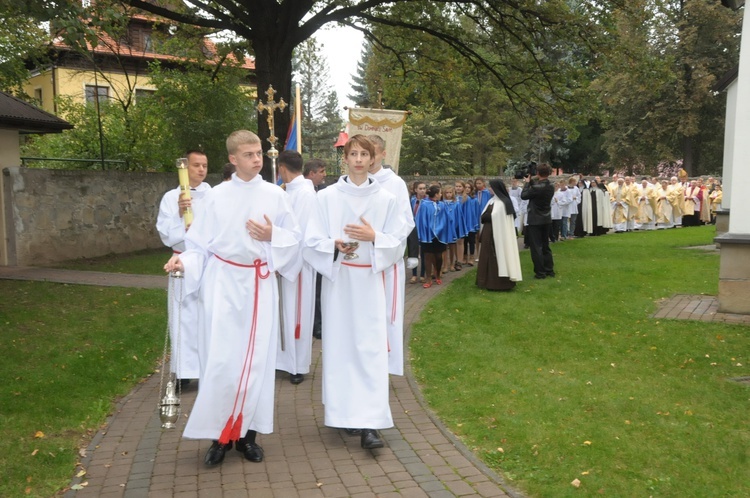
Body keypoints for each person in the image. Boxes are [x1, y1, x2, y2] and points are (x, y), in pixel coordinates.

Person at [163, 130, 301, 466]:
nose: (257, 159)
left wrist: (273, 236)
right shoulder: (216, 198)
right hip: (223, 285)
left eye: (259, 153)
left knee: (256, 363)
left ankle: (248, 437)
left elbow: (295, 240)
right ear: (233, 159)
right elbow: (199, 246)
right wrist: (183, 260)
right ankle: (219, 439)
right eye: (250, 154)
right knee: (222, 362)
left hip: (258, 283)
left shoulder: (275, 195)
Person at [303, 134, 409, 450]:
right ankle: (344, 414)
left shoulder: (386, 199)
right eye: (354, 153)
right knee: (340, 349)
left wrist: (374, 236)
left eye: (365, 153)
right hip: (339, 283)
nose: (360, 159)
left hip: (370, 283)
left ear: (373, 158)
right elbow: (311, 240)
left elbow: (399, 240)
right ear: (345, 159)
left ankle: (370, 424)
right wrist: (332, 246)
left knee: (371, 350)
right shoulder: (326, 198)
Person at [156, 149, 211, 386]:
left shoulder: (213, 195)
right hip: (181, 261)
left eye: (205, 166)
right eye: (196, 165)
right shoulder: (171, 197)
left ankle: (208, 369)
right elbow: (166, 235)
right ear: (184, 169)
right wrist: (180, 215)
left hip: (208, 263)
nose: (201, 170)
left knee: (206, 315)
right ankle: (184, 372)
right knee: (182, 317)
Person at [367, 135, 415, 376]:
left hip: (386, 259)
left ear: (383, 154)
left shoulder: (394, 183)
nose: (368, 158)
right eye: (364, 152)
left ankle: (386, 363)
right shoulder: (355, 182)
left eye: (373, 153)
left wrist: (380, 239)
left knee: (387, 313)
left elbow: (406, 221)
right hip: (359, 262)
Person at [275, 150, 318, 385]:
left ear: (282, 168)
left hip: (297, 264)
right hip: (282, 262)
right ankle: (281, 360)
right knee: (283, 314)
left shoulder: (305, 194)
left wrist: (282, 263)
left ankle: (297, 365)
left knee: (297, 314)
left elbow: (300, 234)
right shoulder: (286, 192)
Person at [476, 179, 522, 291]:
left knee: (497, 256)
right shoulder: (492, 201)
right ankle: (485, 280)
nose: (489, 189)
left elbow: (495, 218)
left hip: (498, 235)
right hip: (489, 232)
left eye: (491, 187)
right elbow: (485, 216)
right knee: (487, 255)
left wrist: (487, 217)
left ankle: (499, 283)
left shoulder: (503, 203)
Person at [304, 158, 328, 339]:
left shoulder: (318, 192)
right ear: (311, 173)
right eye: (321, 172)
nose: (324, 175)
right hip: (308, 248)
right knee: (315, 291)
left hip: (318, 246)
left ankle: (317, 323)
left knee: (318, 289)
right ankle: (316, 325)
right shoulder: (307, 194)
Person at [521, 163, 555, 279]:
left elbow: (524, 195)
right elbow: (538, 187)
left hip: (535, 219)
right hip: (546, 218)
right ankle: (549, 269)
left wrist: (526, 183)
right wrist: (531, 181)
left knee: (536, 247)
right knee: (545, 245)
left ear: (538, 173)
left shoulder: (536, 187)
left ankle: (540, 272)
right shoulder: (551, 185)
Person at [416, 184, 449, 288]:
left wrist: (442, 229)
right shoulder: (424, 204)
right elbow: (421, 219)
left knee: (439, 256)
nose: (441, 194)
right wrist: (426, 230)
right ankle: (428, 278)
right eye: (439, 193)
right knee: (427, 256)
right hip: (427, 234)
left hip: (440, 234)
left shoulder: (442, 205)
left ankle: (437, 275)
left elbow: (445, 219)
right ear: (436, 194)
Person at [409, 181, 427, 283]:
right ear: (416, 190)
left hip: (424, 230)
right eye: (420, 188)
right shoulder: (412, 201)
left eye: (424, 188)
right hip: (413, 230)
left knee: (424, 252)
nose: (422, 190)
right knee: (413, 252)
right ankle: (414, 274)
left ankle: (422, 274)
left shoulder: (428, 201)